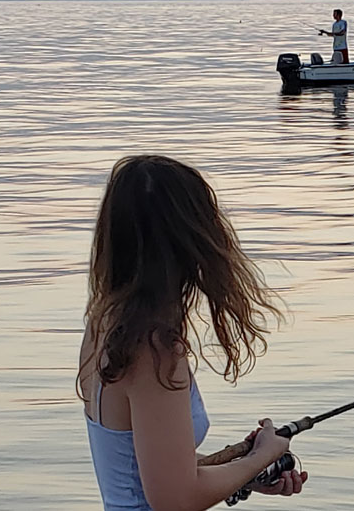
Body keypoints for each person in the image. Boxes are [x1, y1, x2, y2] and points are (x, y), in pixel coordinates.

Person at [78, 155, 308, 510]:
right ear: (193, 240)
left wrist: (242, 471)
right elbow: (175, 499)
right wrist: (261, 457)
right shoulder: (154, 350)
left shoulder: (104, 324)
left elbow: (142, 471)